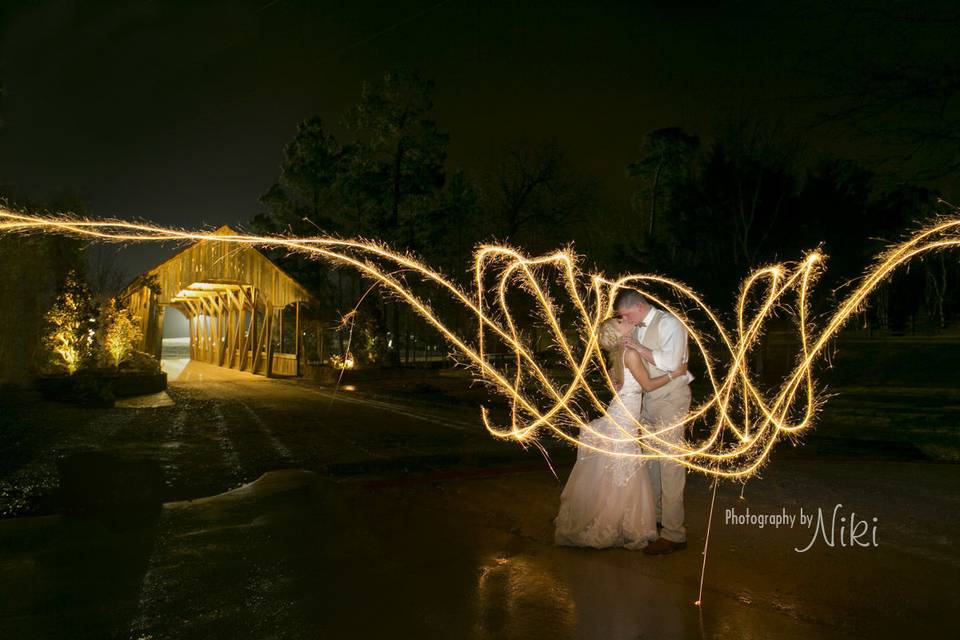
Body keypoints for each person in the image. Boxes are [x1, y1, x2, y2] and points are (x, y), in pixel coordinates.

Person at [554, 315, 689, 550]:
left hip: (621, 410)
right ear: (618, 334)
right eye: (619, 322)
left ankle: (604, 514)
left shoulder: (618, 354)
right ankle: (615, 521)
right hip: (625, 415)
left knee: (616, 465)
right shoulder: (631, 354)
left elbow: (615, 377)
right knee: (623, 466)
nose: (624, 320)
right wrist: (674, 374)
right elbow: (647, 385)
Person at [615, 289, 693, 555]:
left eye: (624, 315)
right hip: (649, 400)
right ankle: (658, 518)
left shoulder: (670, 323)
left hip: (671, 398)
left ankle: (674, 534)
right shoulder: (636, 327)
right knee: (652, 462)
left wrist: (638, 347)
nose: (623, 320)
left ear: (637, 307)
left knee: (670, 463)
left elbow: (672, 363)